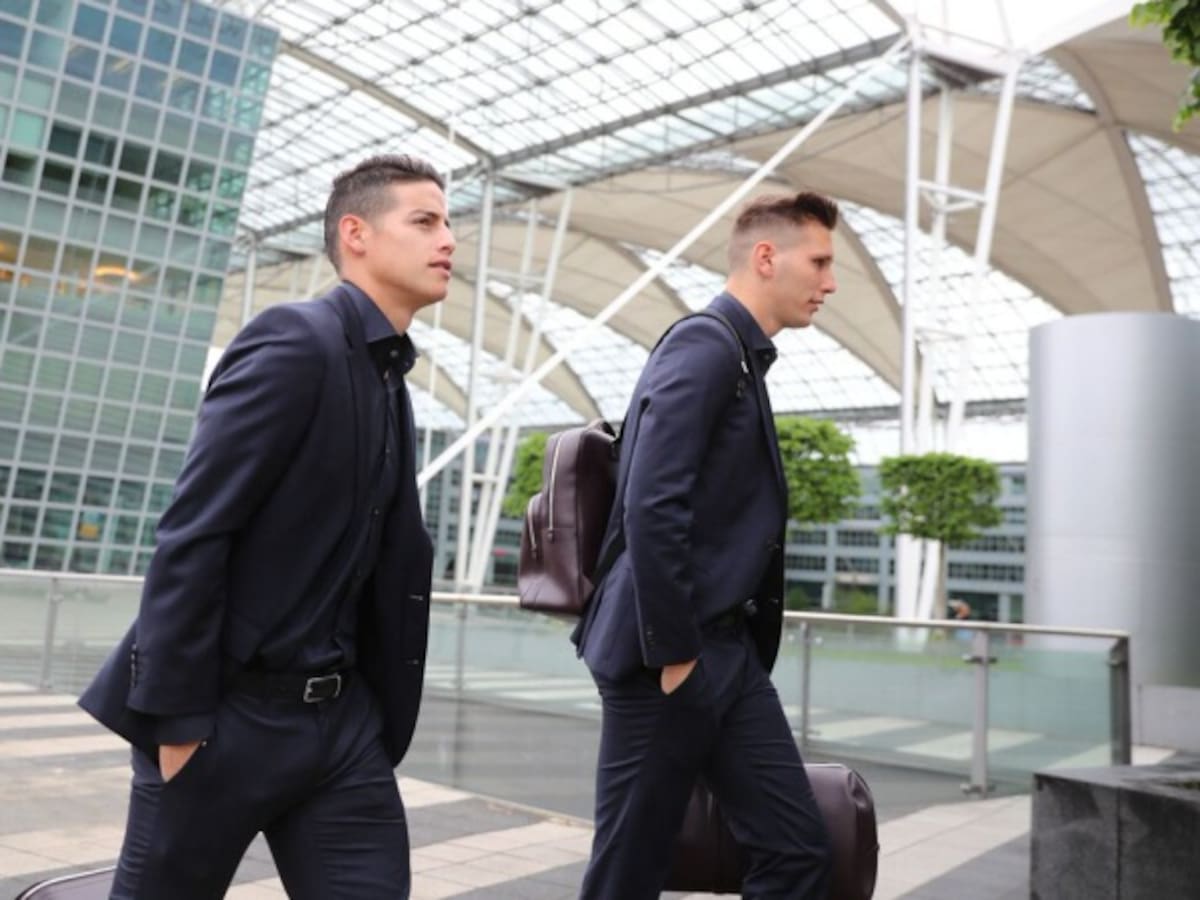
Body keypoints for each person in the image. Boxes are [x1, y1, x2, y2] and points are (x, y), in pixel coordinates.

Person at [79, 154, 455, 899]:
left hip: (342, 729)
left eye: (448, 224)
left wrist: (373, 717)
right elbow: (197, 530)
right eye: (425, 221)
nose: (448, 240)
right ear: (356, 234)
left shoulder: (389, 379)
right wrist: (178, 721)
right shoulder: (295, 341)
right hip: (228, 718)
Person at [572, 192, 839, 898]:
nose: (830, 282)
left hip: (726, 651)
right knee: (629, 870)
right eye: (819, 262)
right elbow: (652, 501)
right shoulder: (706, 345)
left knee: (798, 852)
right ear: (766, 257)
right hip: (669, 654)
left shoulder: (741, 358)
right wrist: (677, 656)